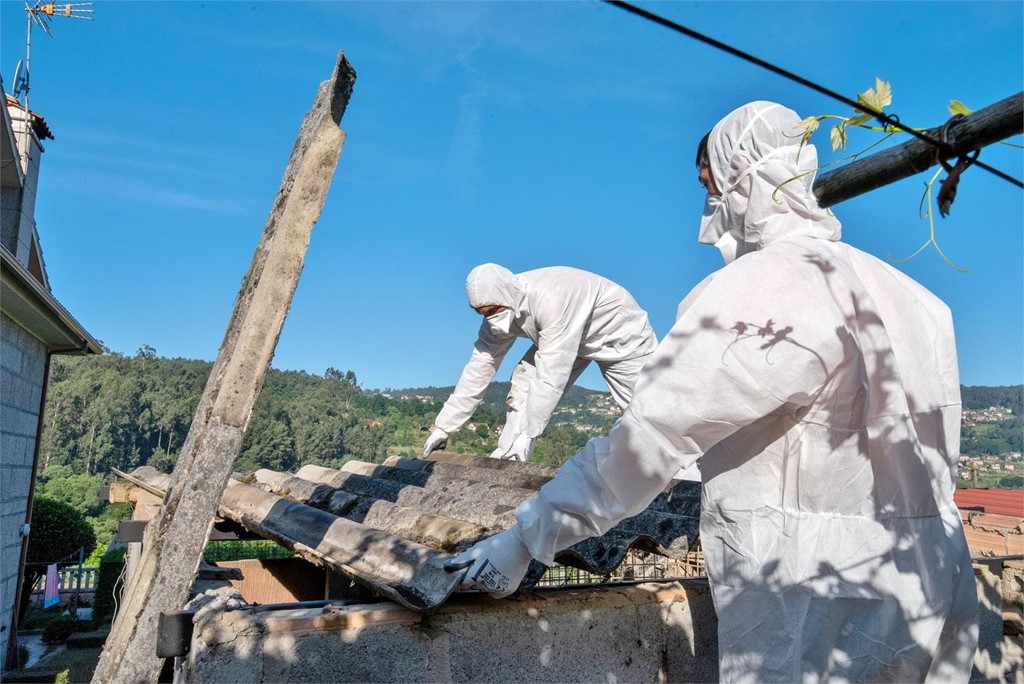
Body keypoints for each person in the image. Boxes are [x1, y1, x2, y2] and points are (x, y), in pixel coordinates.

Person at [448, 101, 979, 682]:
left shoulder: (763, 288)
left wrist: (527, 536)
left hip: (814, 604)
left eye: (712, 188)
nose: (709, 214)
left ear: (743, 177)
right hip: (932, 591)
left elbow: (652, 437)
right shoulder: (920, 302)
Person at [422, 264, 658, 462]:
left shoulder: (550, 299)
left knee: (645, 409)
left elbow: (551, 374)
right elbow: (479, 368)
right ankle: (510, 455)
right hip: (562, 336)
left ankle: (680, 477)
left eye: (493, 310)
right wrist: (444, 426)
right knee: (523, 382)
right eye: (482, 313)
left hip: (618, 334)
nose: (491, 319)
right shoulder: (500, 310)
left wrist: (530, 431)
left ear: (506, 295)